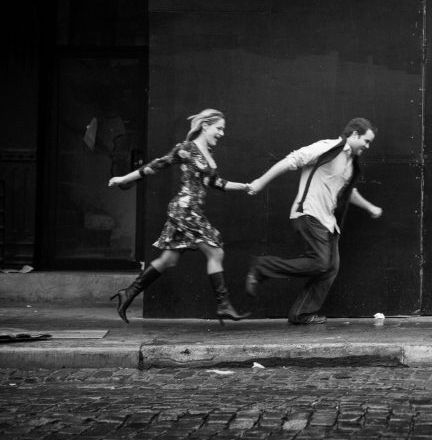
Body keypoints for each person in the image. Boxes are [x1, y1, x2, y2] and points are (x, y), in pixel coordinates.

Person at [107, 109, 250, 325]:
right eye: (219, 128)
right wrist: (122, 179)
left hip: (190, 210)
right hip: (185, 209)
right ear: (205, 125)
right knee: (216, 252)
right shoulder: (187, 149)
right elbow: (155, 166)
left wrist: (245, 186)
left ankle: (127, 293)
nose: (221, 133)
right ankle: (223, 304)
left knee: (168, 260)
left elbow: (216, 183)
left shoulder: (207, 154)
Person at [245, 117, 383, 325]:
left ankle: (302, 313)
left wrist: (369, 207)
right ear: (354, 134)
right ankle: (261, 267)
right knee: (320, 263)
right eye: (366, 140)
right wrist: (260, 182)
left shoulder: (350, 163)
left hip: (328, 221)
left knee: (330, 267)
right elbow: (293, 159)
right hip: (310, 213)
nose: (367, 146)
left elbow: (347, 192)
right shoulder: (328, 147)